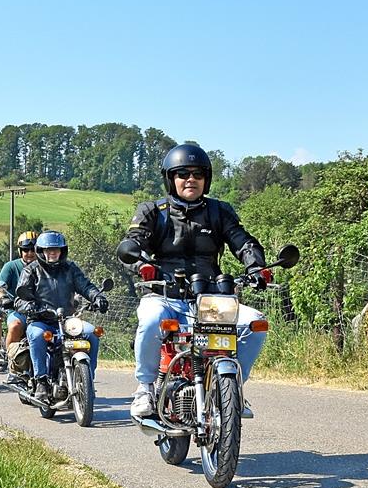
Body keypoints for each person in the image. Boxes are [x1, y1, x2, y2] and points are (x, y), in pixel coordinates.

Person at [116, 143, 270, 419]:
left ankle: (231, 389)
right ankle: (145, 387)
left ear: (205, 179)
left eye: (197, 174)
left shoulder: (219, 211)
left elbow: (242, 241)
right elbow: (132, 243)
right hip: (164, 296)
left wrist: (256, 266)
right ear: (170, 179)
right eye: (182, 173)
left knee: (255, 324)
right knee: (150, 320)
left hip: (211, 300)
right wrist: (143, 265)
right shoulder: (153, 211)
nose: (190, 179)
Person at [14, 231, 108, 402]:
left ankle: (87, 381)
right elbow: (19, 300)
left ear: (62, 251)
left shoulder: (70, 268)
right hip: (41, 320)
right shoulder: (31, 270)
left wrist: (97, 297)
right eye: (48, 250)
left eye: (56, 250)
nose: (52, 253)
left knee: (92, 334)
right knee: (36, 335)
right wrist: (32, 307)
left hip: (67, 321)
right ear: (41, 251)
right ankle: (40, 380)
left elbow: (85, 286)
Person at [0, 231, 40, 382]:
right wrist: (3, 297)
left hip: (41, 311)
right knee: (15, 326)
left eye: (34, 249)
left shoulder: (46, 266)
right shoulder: (11, 266)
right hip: (17, 310)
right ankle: (12, 365)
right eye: (26, 250)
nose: (30, 253)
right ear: (20, 251)